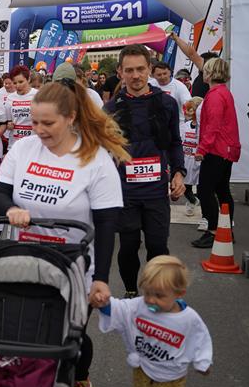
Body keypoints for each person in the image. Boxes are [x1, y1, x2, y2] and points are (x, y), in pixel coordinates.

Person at [0, 80, 130, 387]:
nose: (39, 130)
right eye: (35, 122)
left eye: (48, 123)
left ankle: (79, 376)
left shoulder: (95, 160)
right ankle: (34, 381)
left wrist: (101, 279)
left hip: (75, 264)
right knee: (29, 327)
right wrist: (11, 209)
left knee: (69, 333)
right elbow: (0, 192)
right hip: (27, 258)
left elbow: (107, 225)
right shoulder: (24, 149)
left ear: (70, 118)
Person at [103, 45, 186, 298]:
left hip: (156, 192)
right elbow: (101, 153)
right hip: (125, 193)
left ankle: (156, 296)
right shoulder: (111, 109)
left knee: (158, 247)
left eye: (140, 69)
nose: (136, 75)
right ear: (120, 72)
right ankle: (131, 292)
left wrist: (179, 173)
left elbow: (175, 142)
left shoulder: (167, 103)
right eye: (129, 70)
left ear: (150, 69)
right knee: (128, 247)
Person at [94, 256, 212, 387]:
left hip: (172, 376)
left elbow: (201, 339)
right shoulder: (139, 306)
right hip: (143, 369)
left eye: (159, 295)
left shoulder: (188, 319)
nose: (150, 300)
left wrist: (202, 362)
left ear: (179, 293)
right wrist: (104, 304)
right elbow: (120, 309)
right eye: (147, 293)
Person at [191, 58, 241, 249]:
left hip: (217, 149)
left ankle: (212, 231)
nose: (202, 73)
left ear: (211, 73)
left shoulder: (215, 95)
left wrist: (202, 149)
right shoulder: (223, 92)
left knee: (205, 190)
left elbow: (213, 126)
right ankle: (226, 230)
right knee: (222, 190)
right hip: (226, 149)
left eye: (205, 70)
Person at [168, 32, 217, 98]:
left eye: (201, 60)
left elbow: (191, 54)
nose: (197, 63)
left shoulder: (208, 72)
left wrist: (176, 38)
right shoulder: (212, 79)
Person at [5, 64, 38, 148]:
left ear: (28, 79)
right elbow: (8, 121)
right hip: (15, 144)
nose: (18, 86)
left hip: (34, 144)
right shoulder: (10, 98)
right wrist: (8, 125)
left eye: (21, 82)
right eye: (15, 83)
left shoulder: (38, 95)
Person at [180, 97, 202, 216]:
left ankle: (205, 214)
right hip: (186, 161)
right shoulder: (185, 126)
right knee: (185, 187)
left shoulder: (204, 126)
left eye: (190, 109)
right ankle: (193, 201)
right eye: (187, 109)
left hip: (199, 162)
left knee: (202, 189)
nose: (187, 112)